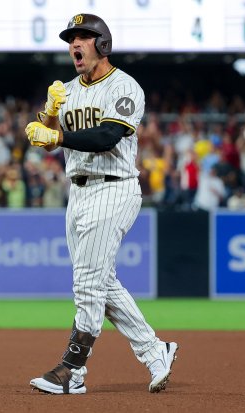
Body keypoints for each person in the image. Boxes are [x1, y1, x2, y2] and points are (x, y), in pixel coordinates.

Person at [24, 13, 178, 395]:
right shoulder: (70, 90)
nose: (75, 44)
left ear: (102, 44)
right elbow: (48, 135)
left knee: (87, 284)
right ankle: (155, 350)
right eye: (71, 39)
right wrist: (49, 113)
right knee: (102, 283)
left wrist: (56, 135)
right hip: (77, 191)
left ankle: (72, 370)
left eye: (84, 37)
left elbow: (108, 135)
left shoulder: (125, 85)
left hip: (114, 188)